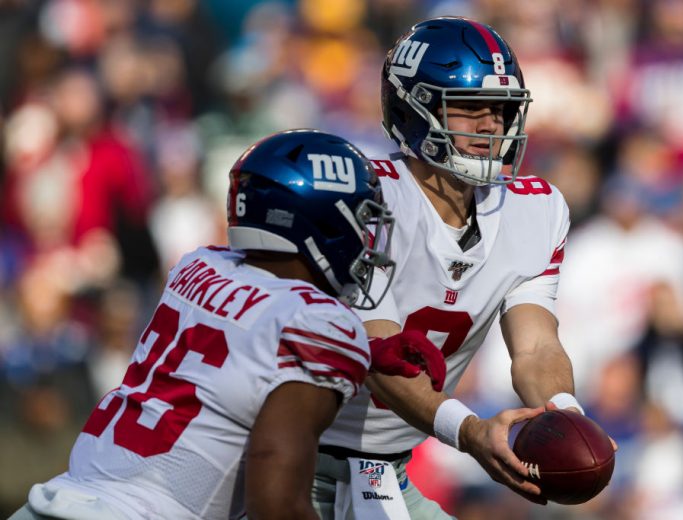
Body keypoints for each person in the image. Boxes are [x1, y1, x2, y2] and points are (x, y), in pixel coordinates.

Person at [9, 129, 446, 520]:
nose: (368, 242)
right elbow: (276, 506)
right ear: (324, 223)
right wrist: (349, 347)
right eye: (361, 220)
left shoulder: (197, 266)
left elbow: (241, 346)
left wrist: (366, 353)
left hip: (56, 499)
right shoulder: (323, 325)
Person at [312, 17, 604, 519]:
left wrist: (565, 417)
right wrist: (469, 433)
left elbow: (536, 346)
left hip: (385, 475)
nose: (491, 125)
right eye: (469, 107)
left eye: (502, 109)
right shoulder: (364, 199)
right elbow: (380, 356)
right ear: (412, 109)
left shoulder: (535, 210)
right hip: (290, 456)